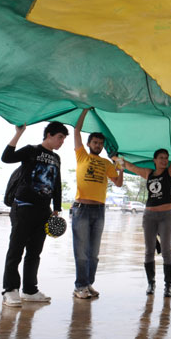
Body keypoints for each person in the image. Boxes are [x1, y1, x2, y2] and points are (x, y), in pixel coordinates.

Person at [114, 118, 171, 297]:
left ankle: (168, 286)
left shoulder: (170, 172)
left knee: (165, 250)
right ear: (154, 160)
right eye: (161, 158)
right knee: (149, 250)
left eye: (166, 158)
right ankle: (151, 284)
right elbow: (130, 166)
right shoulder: (148, 173)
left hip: (166, 215)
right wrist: (116, 159)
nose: (164, 160)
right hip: (149, 216)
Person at [1, 121, 69, 307]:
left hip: (43, 211)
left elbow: (56, 182)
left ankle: (30, 290)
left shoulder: (56, 158)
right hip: (23, 206)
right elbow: (6, 157)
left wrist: (56, 207)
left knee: (34, 252)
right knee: (16, 250)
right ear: (49, 135)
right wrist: (19, 133)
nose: (62, 142)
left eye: (63, 139)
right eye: (60, 137)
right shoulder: (31, 150)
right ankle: (10, 290)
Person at [72, 108, 123, 299]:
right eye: (95, 142)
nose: (98, 145)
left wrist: (120, 164)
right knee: (81, 252)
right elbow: (77, 131)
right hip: (81, 209)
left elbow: (118, 183)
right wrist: (85, 110)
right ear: (89, 143)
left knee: (93, 254)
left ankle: (88, 284)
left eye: (101, 143)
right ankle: (79, 287)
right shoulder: (82, 156)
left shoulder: (107, 163)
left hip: (99, 210)